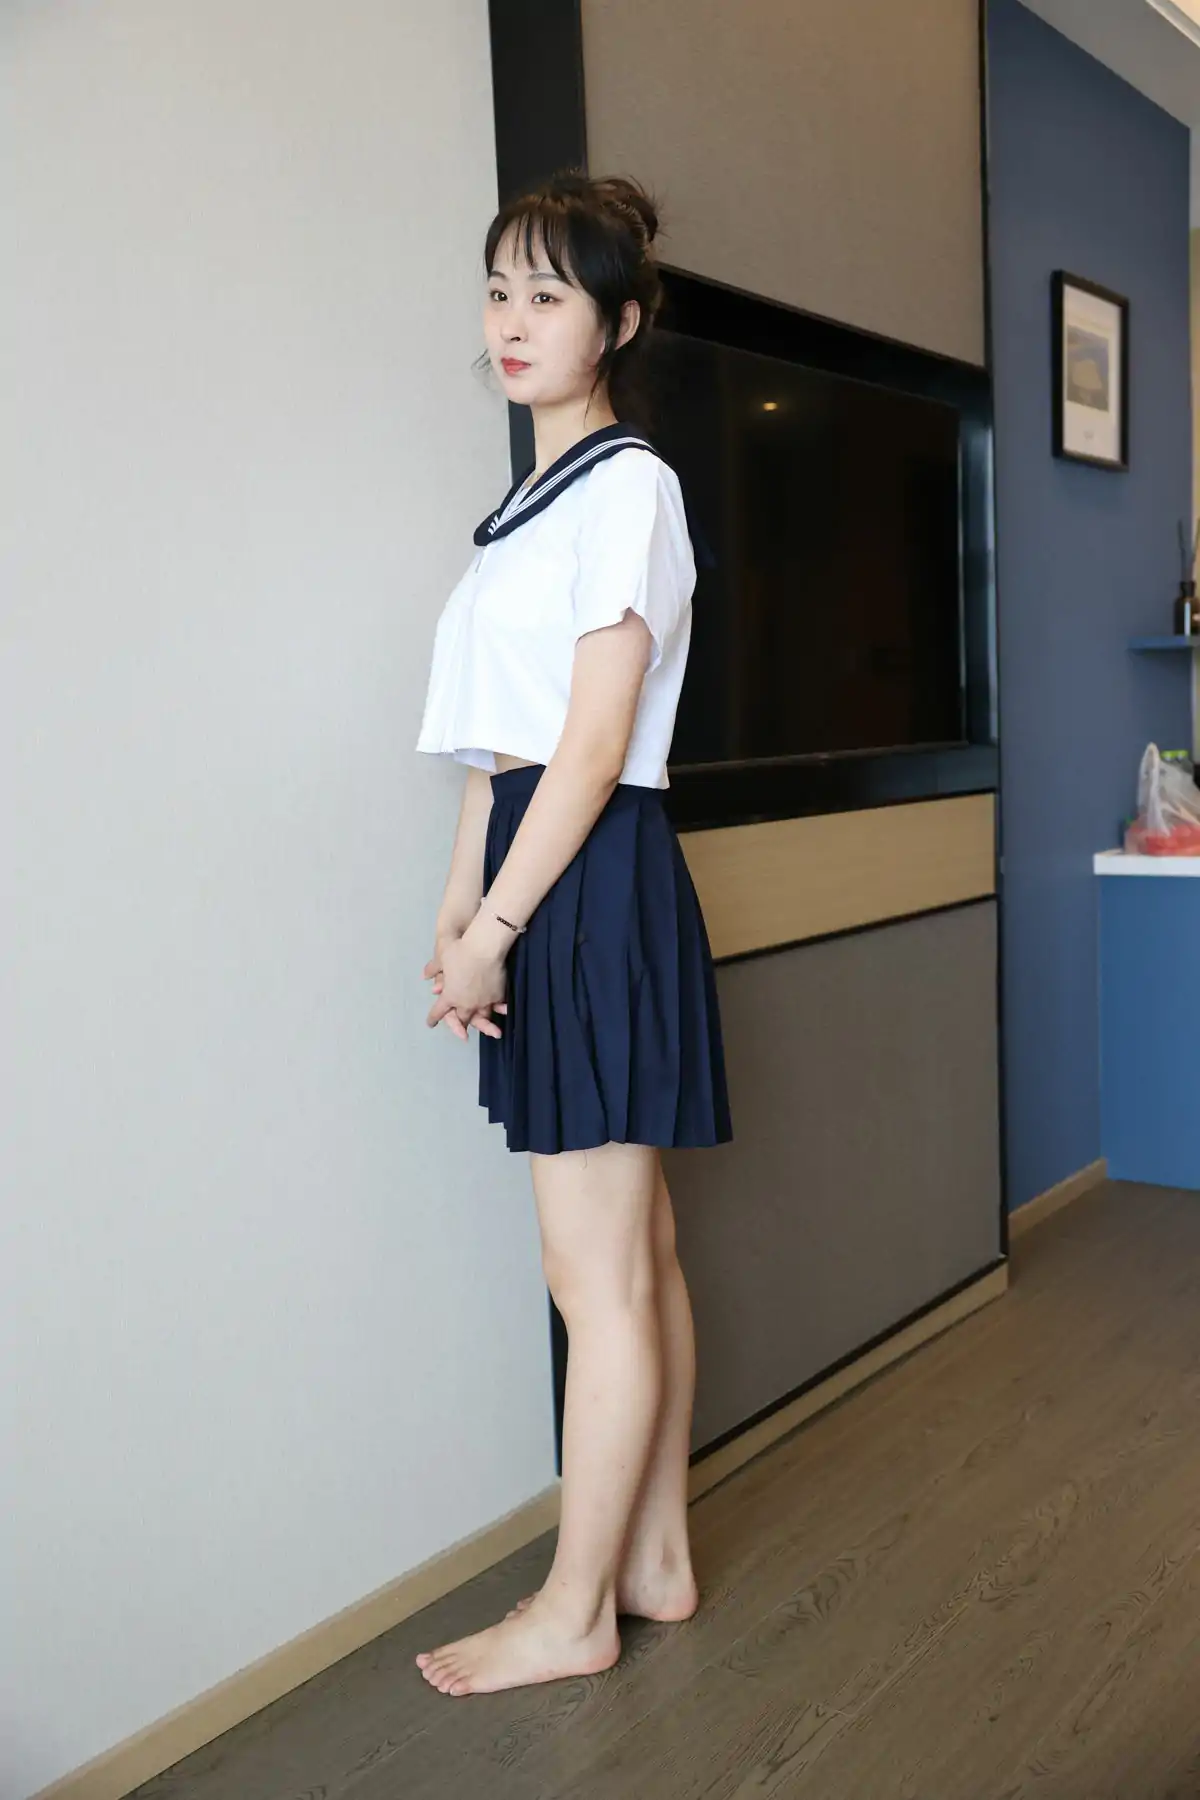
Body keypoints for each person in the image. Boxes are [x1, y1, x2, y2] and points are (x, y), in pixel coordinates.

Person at [413, 169, 733, 1698]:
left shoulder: (629, 489)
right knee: (636, 1250)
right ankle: (654, 1559)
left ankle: (574, 1609)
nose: (515, 319)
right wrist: (456, 909)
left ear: (618, 322)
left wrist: (502, 919)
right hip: (542, 868)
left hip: (587, 877)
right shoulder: (523, 518)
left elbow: (593, 747)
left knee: (591, 1273)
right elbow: (500, 752)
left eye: (549, 293)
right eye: (500, 289)